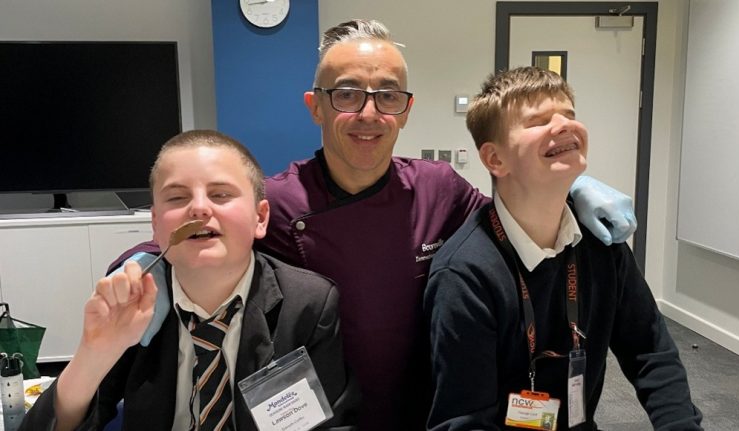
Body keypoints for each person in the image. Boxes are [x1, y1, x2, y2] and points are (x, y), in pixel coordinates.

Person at [114, 20, 638, 430]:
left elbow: (516, 211)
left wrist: (572, 189)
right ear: (314, 107)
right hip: (313, 417)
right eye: (347, 94)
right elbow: (196, 226)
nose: (369, 112)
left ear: (406, 111)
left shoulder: (438, 189)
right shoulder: (280, 198)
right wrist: (142, 266)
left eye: (388, 95)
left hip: (423, 411)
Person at [424, 66, 703, 430]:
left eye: (569, 114)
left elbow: (650, 349)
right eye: (538, 120)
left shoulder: (602, 243)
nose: (563, 124)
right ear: (495, 159)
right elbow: (465, 422)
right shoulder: (466, 274)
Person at [21, 130, 357, 430]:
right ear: (155, 223)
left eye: (221, 194)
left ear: (260, 217)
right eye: (177, 197)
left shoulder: (309, 304)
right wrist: (92, 356)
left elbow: (330, 423)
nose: (198, 208)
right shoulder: (133, 306)